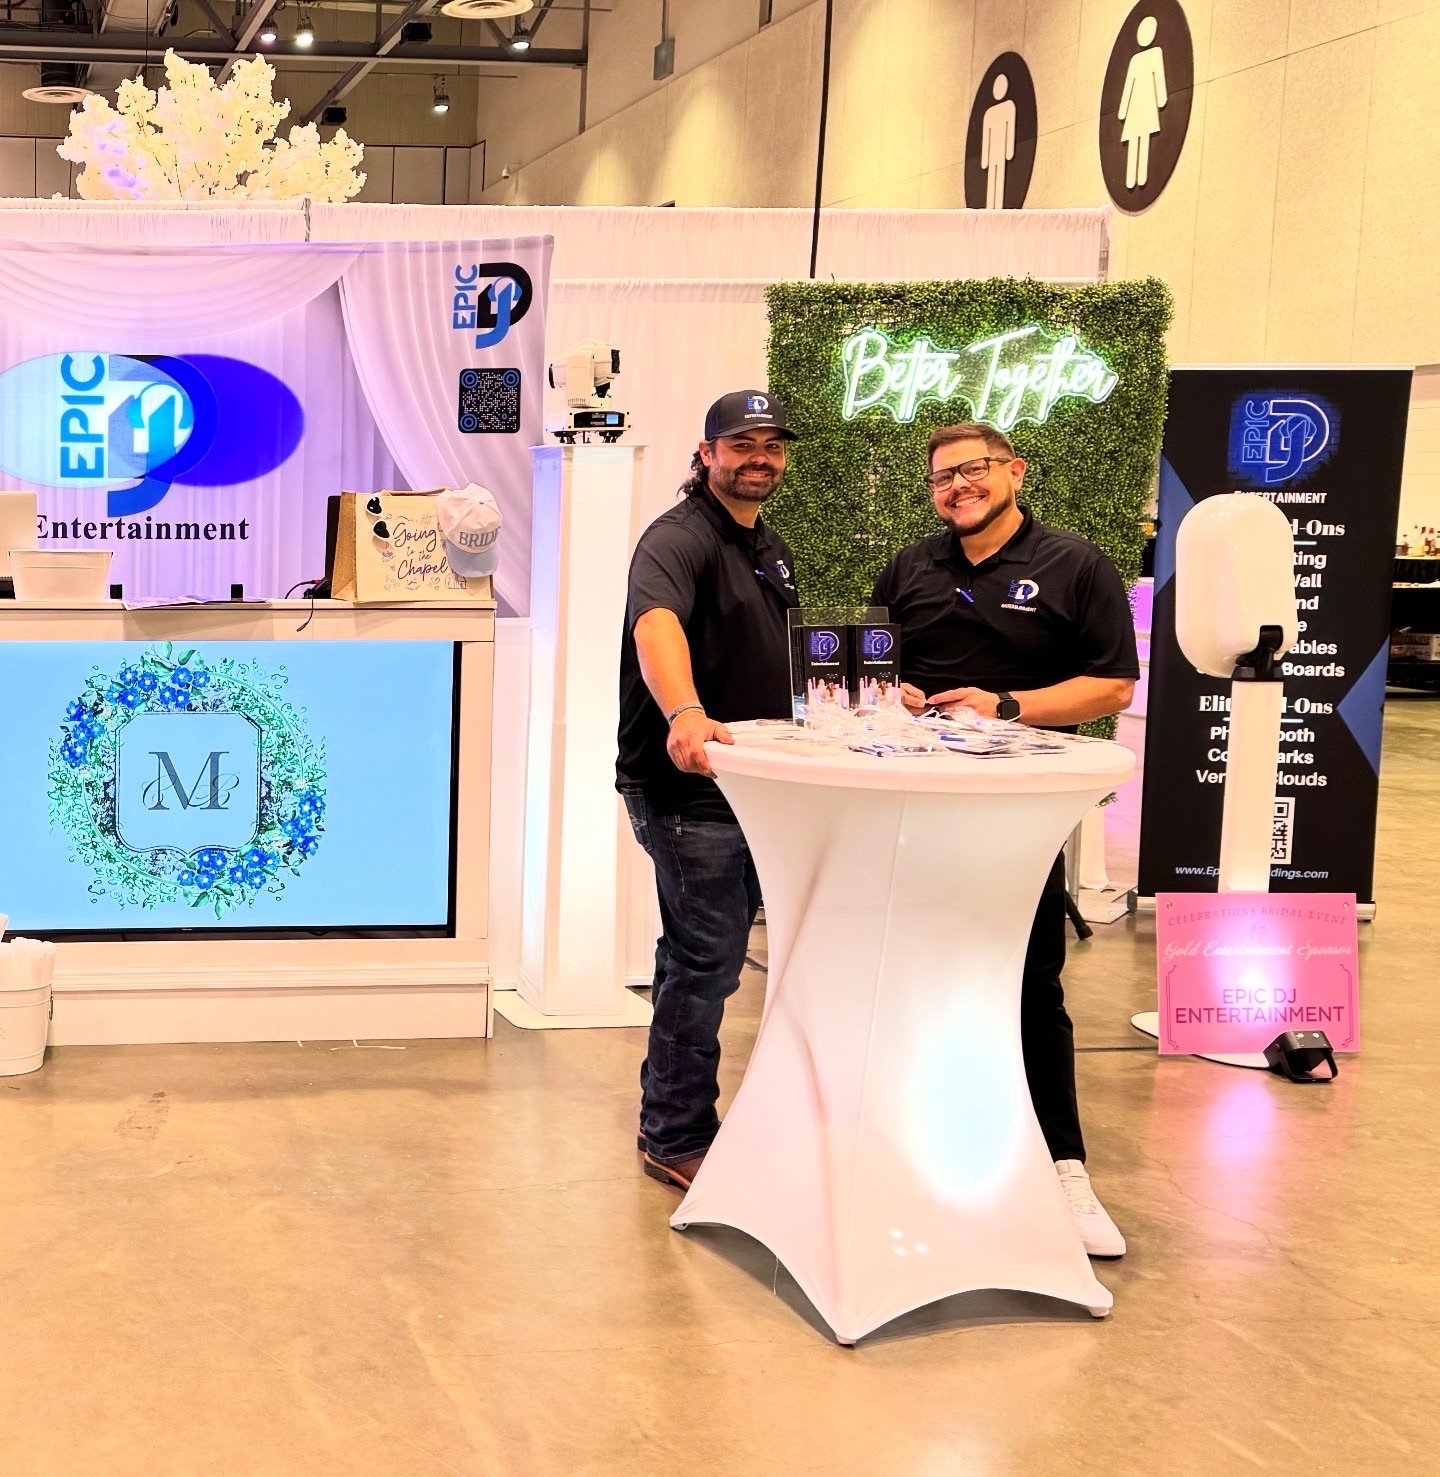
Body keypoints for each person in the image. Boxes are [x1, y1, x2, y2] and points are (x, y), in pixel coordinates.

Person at [870, 420, 1138, 1257]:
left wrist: (1008, 705)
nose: (958, 486)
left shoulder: (1076, 564)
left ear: (1013, 471)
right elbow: (877, 666)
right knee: (908, 977)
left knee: (1027, 983)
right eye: (943, 477)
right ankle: (903, 1161)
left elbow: (1113, 684)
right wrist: (898, 693)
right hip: (916, 811)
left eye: (974, 470)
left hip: (1020, 814)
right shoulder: (911, 568)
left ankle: (1063, 1167)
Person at [616, 390, 800, 1192]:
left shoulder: (766, 545)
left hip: (755, 784)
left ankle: (692, 1118)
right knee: (705, 959)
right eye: (741, 444)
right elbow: (655, 625)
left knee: (708, 956)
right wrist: (685, 711)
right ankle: (676, 1133)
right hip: (687, 787)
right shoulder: (678, 537)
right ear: (706, 451)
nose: (757, 457)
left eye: (771, 445)